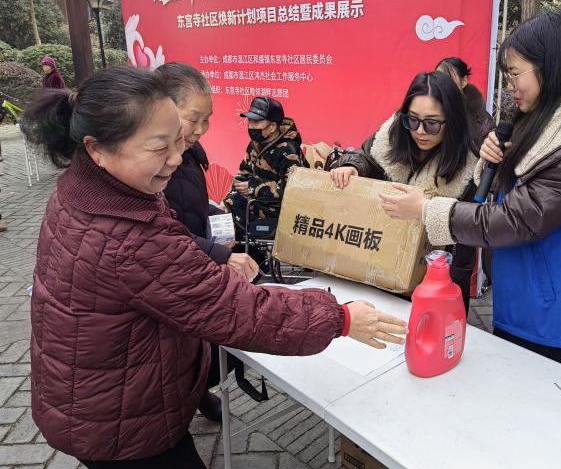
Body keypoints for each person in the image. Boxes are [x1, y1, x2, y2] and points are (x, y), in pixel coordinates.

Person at [22, 67, 407, 468]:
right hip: (119, 422)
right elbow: (238, 311)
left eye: (179, 140)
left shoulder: (84, 188)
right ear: (97, 148)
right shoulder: (128, 235)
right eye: (160, 147)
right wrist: (340, 318)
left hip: (96, 389)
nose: (176, 158)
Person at [380, 11, 561, 381]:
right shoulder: (554, 117)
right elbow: (524, 188)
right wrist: (495, 160)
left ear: (549, 66)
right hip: (540, 289)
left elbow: (517, 219)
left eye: (515, 73)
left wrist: (427, 210)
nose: (510, 86)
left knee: (554, 394)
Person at [329, 71, 478, 312]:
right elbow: (367, 158)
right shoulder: (389, 137)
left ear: (452, 120)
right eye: (413, 120)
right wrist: (352, 166)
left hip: (432, 281)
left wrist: (426, 209)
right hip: (375, 266)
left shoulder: (469, 167)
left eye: (432, 123)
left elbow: (465, 239)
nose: (420, 131)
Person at [157, 62, 250, 423]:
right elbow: (160, 230)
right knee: (187, 348)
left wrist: (216, 214)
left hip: (192, 262)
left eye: (207, 120)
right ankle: (182, 401)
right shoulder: (150, 164)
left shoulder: (188, 153)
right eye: (193, 119)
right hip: (170, 270)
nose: (200, 129)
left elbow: (187, 208)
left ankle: (195, 392)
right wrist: (219, 255)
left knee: (203, 345)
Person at [223, 96, 307, 230]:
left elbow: (292, 190)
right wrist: (229, 198)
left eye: (256, 122)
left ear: (272, 126)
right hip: (257, 201)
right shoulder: (255, 144)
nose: (251, 126)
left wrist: (254, 187)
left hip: (279, 210)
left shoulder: (289, 151)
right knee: (226, 206)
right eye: (249, 121)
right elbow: (243, 175)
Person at [435, 56, 495, 149]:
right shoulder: (427, 109)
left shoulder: (480, 118)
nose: (443, 84)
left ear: (464, 81)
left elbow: (490, 149)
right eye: (438, 79)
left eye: (449, 79)